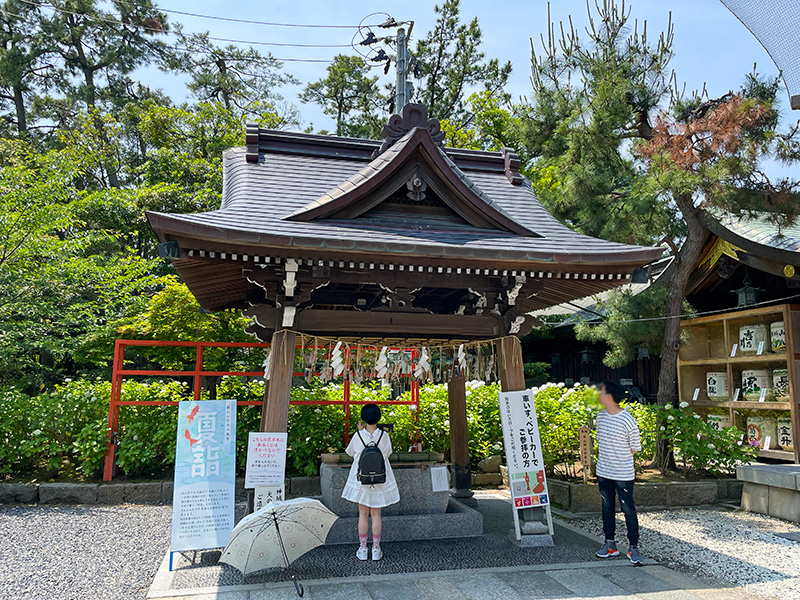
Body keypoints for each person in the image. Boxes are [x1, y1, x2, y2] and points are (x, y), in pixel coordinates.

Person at [594, 381, 644, 565]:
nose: (598, 396)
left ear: (609, 397)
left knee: (627, 508)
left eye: (601, 393)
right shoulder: (600, 417)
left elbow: (635, 448)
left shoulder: (627, 419)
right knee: (606, 507)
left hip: (623, 473)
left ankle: (633, 547)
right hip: (603, 471)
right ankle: (610, 544)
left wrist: (618, 458)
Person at [342, 403, 399, 561]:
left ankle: (362, 549)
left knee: (362, 514)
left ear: (363, 418)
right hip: (380, 478)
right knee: (376, 514)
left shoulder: (358, 435)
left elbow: (350, 453)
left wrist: (360, 432)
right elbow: (387, 453)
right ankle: (375, 549)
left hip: (361, 479)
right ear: (378, 417)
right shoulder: (384, 436)